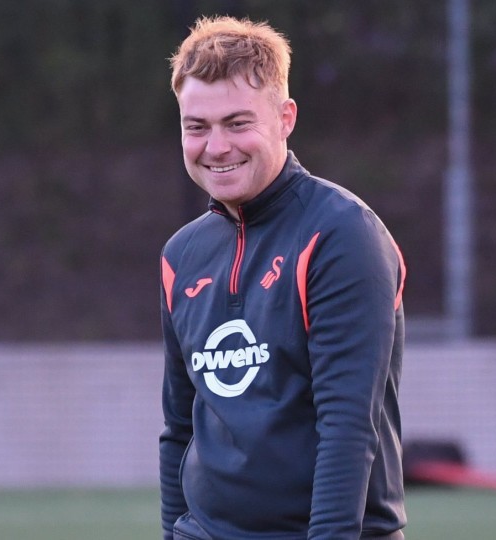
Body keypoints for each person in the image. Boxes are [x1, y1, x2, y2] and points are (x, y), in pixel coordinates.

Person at [159, 16, 407, 539]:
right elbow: (180, 431)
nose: (217, 147)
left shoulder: (341, 234)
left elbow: (346, 427)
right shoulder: (181, 256)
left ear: (285, 117)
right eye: (196, 127)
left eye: (238, 123)